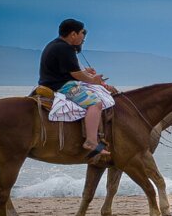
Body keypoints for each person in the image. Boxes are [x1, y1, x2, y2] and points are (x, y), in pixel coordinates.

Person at [39, 18, 116, 159]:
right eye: (81, 33)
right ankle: (91, 142)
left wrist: (86, 71)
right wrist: (93, 80)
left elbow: (69, 69)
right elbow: (76, 74)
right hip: (62, 86)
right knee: (95, 103)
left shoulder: (55, 45)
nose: (82, 37)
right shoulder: (65, 48)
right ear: (73, 34)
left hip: (52, 82)